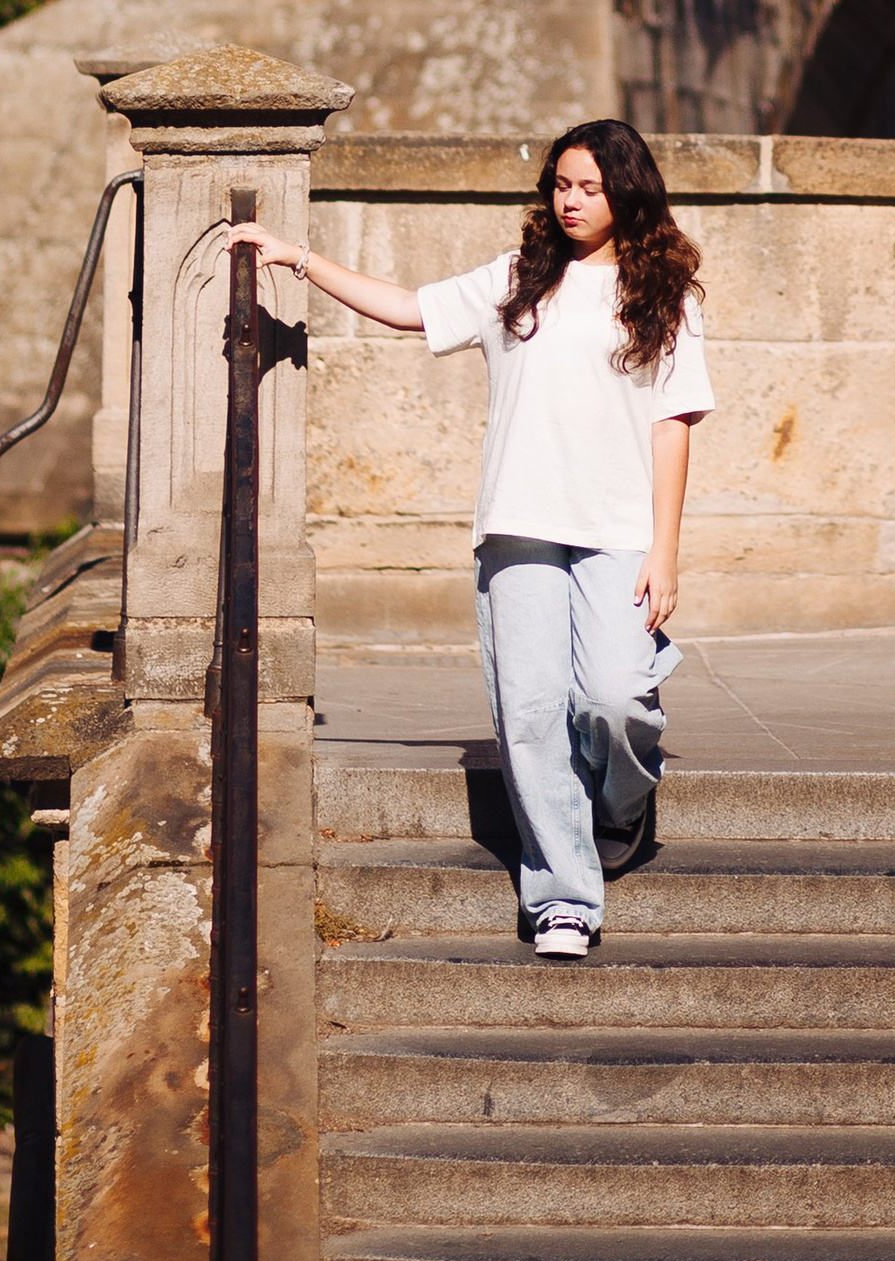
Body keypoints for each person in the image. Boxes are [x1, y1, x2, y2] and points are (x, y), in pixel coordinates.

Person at [231, 116, 709, 959]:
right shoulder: (518, 281)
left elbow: (673, 426)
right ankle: (564, 899)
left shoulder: (664, 296)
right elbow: (408, 310)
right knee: (528, 713)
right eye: (561, 184)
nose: (570, 201)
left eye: (589, 187)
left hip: (619, 531)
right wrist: (295, 256)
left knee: (614, 697)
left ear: (626, 193)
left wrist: (665, 550)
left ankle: (621, 807)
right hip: (518, 525)